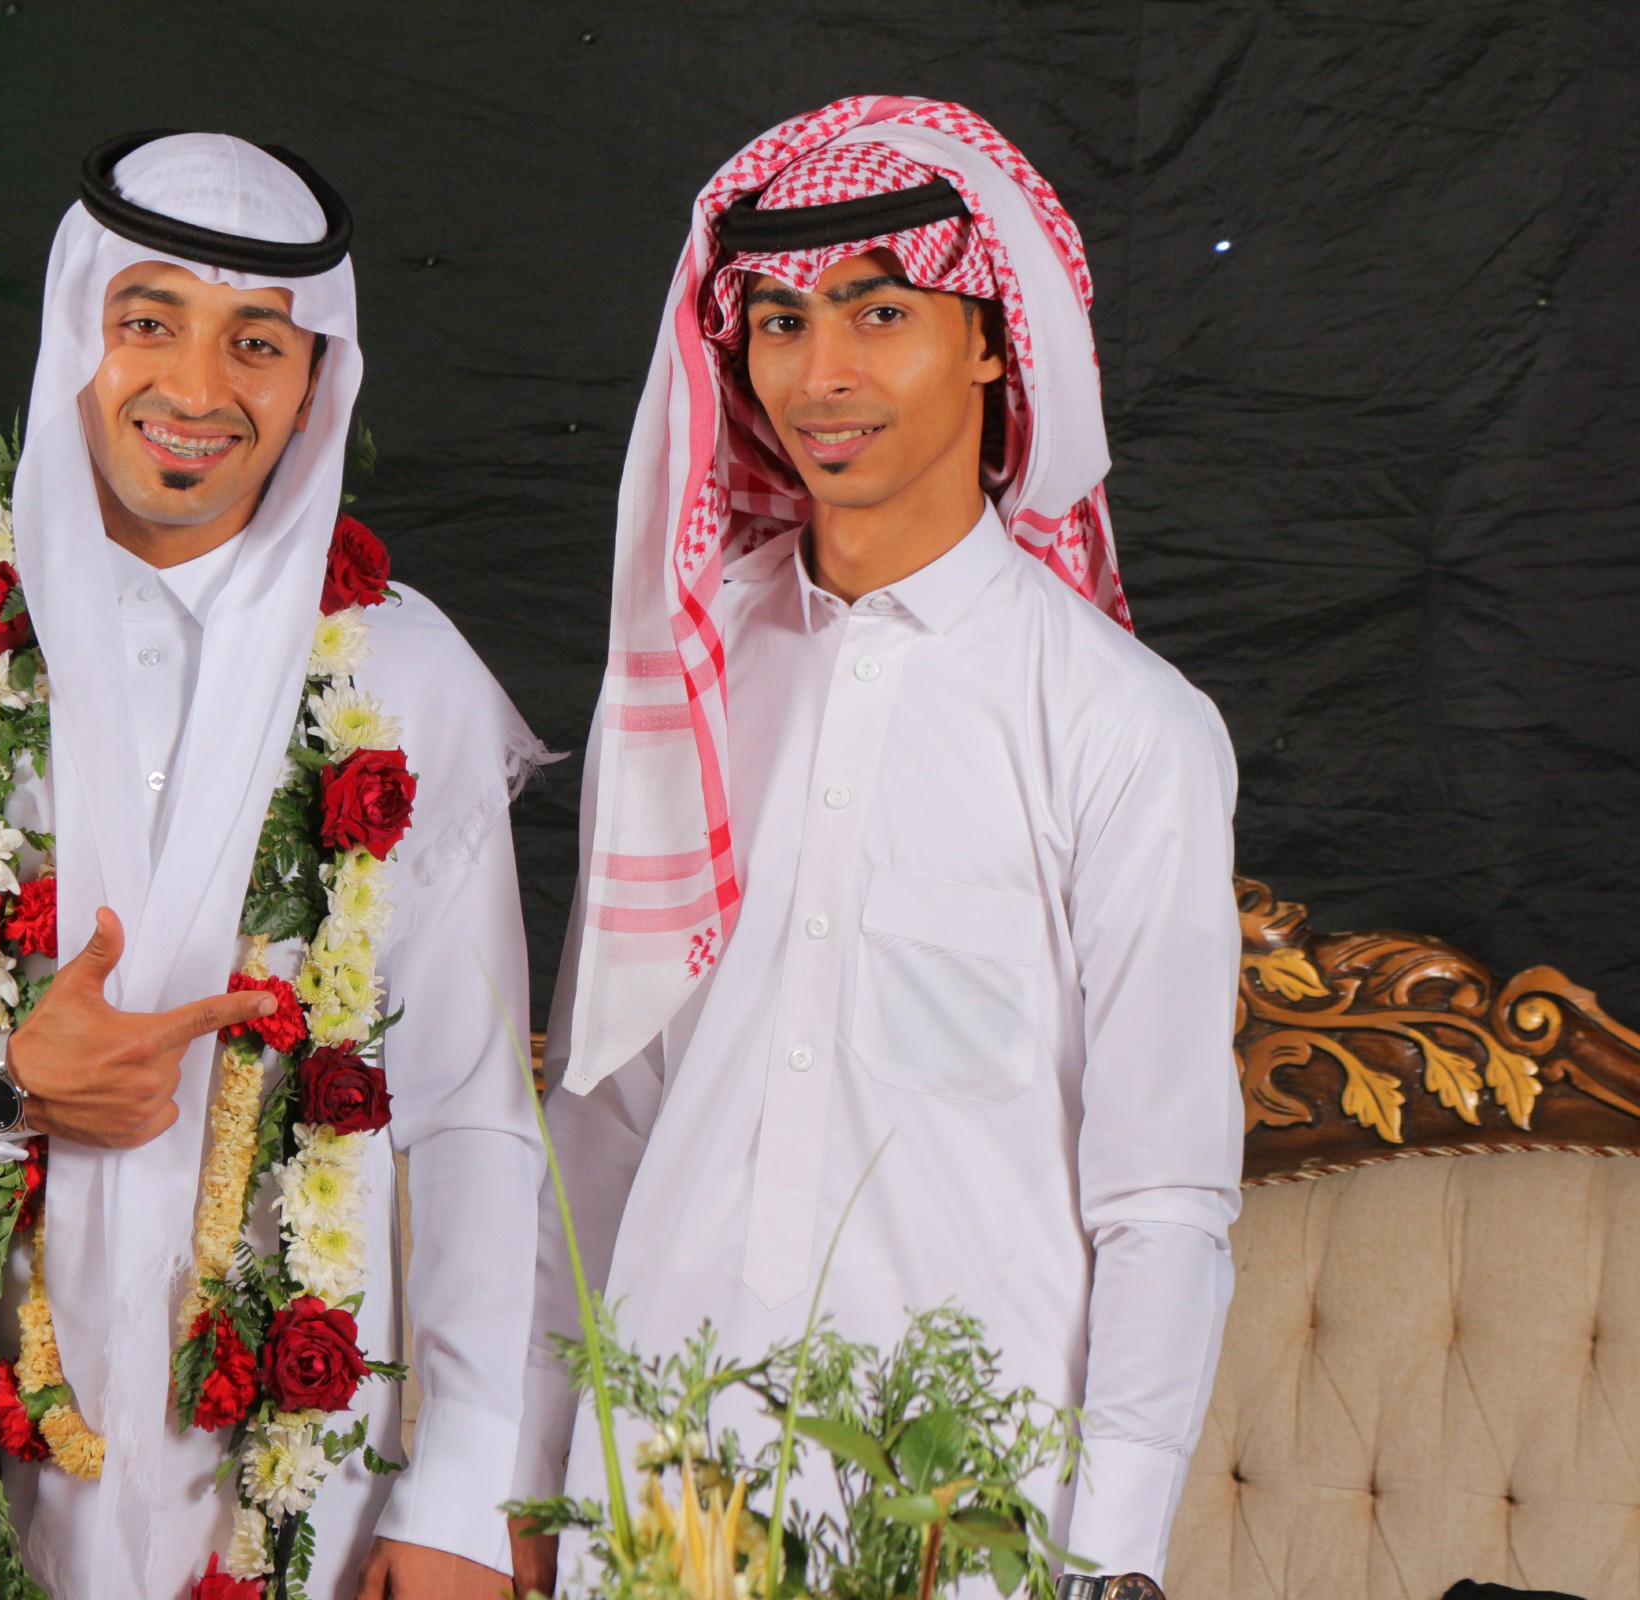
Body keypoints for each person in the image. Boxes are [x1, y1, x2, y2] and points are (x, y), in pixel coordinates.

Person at [0, 132, 546, 1600]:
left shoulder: (410, 684)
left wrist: (469, 1494)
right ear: (74, 334)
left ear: (315, 379)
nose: (198, 388)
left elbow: (473, 1118)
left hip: (285, 1492)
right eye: (148, 320)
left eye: (257, 341)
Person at [511, 98, 1243, 1598]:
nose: (820, 374)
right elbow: (602, 1118)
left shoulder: (1122, 727)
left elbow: (1162, 1193)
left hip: (961, 1510)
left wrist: (1113, 1558)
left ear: (993, 340)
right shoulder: (683, 684)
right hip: (658, 1480)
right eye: (780, 322)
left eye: (880, 311)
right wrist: (524, 1478)